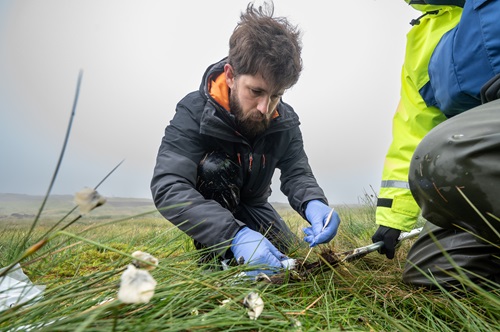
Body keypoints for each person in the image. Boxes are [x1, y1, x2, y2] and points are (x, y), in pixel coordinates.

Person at [151, 2, 340, 275]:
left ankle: (248, 249)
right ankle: (216, 263)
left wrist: (314, 203)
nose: (266, 108)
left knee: (291, 263)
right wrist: (234, 236)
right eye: (256, 91)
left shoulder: (284, 120)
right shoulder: (193, 112)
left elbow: (297, 172)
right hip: (213, 214)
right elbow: (168, 186)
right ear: (230, 76)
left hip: (255, 206)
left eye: (276, 95)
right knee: (215, 166)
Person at [372, 0, 500, 288]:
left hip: (471, 152)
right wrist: (393, 217)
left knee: (449, 155)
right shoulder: (421, 42)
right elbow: (413, 130)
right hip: (486, 164)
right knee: (431, 272)